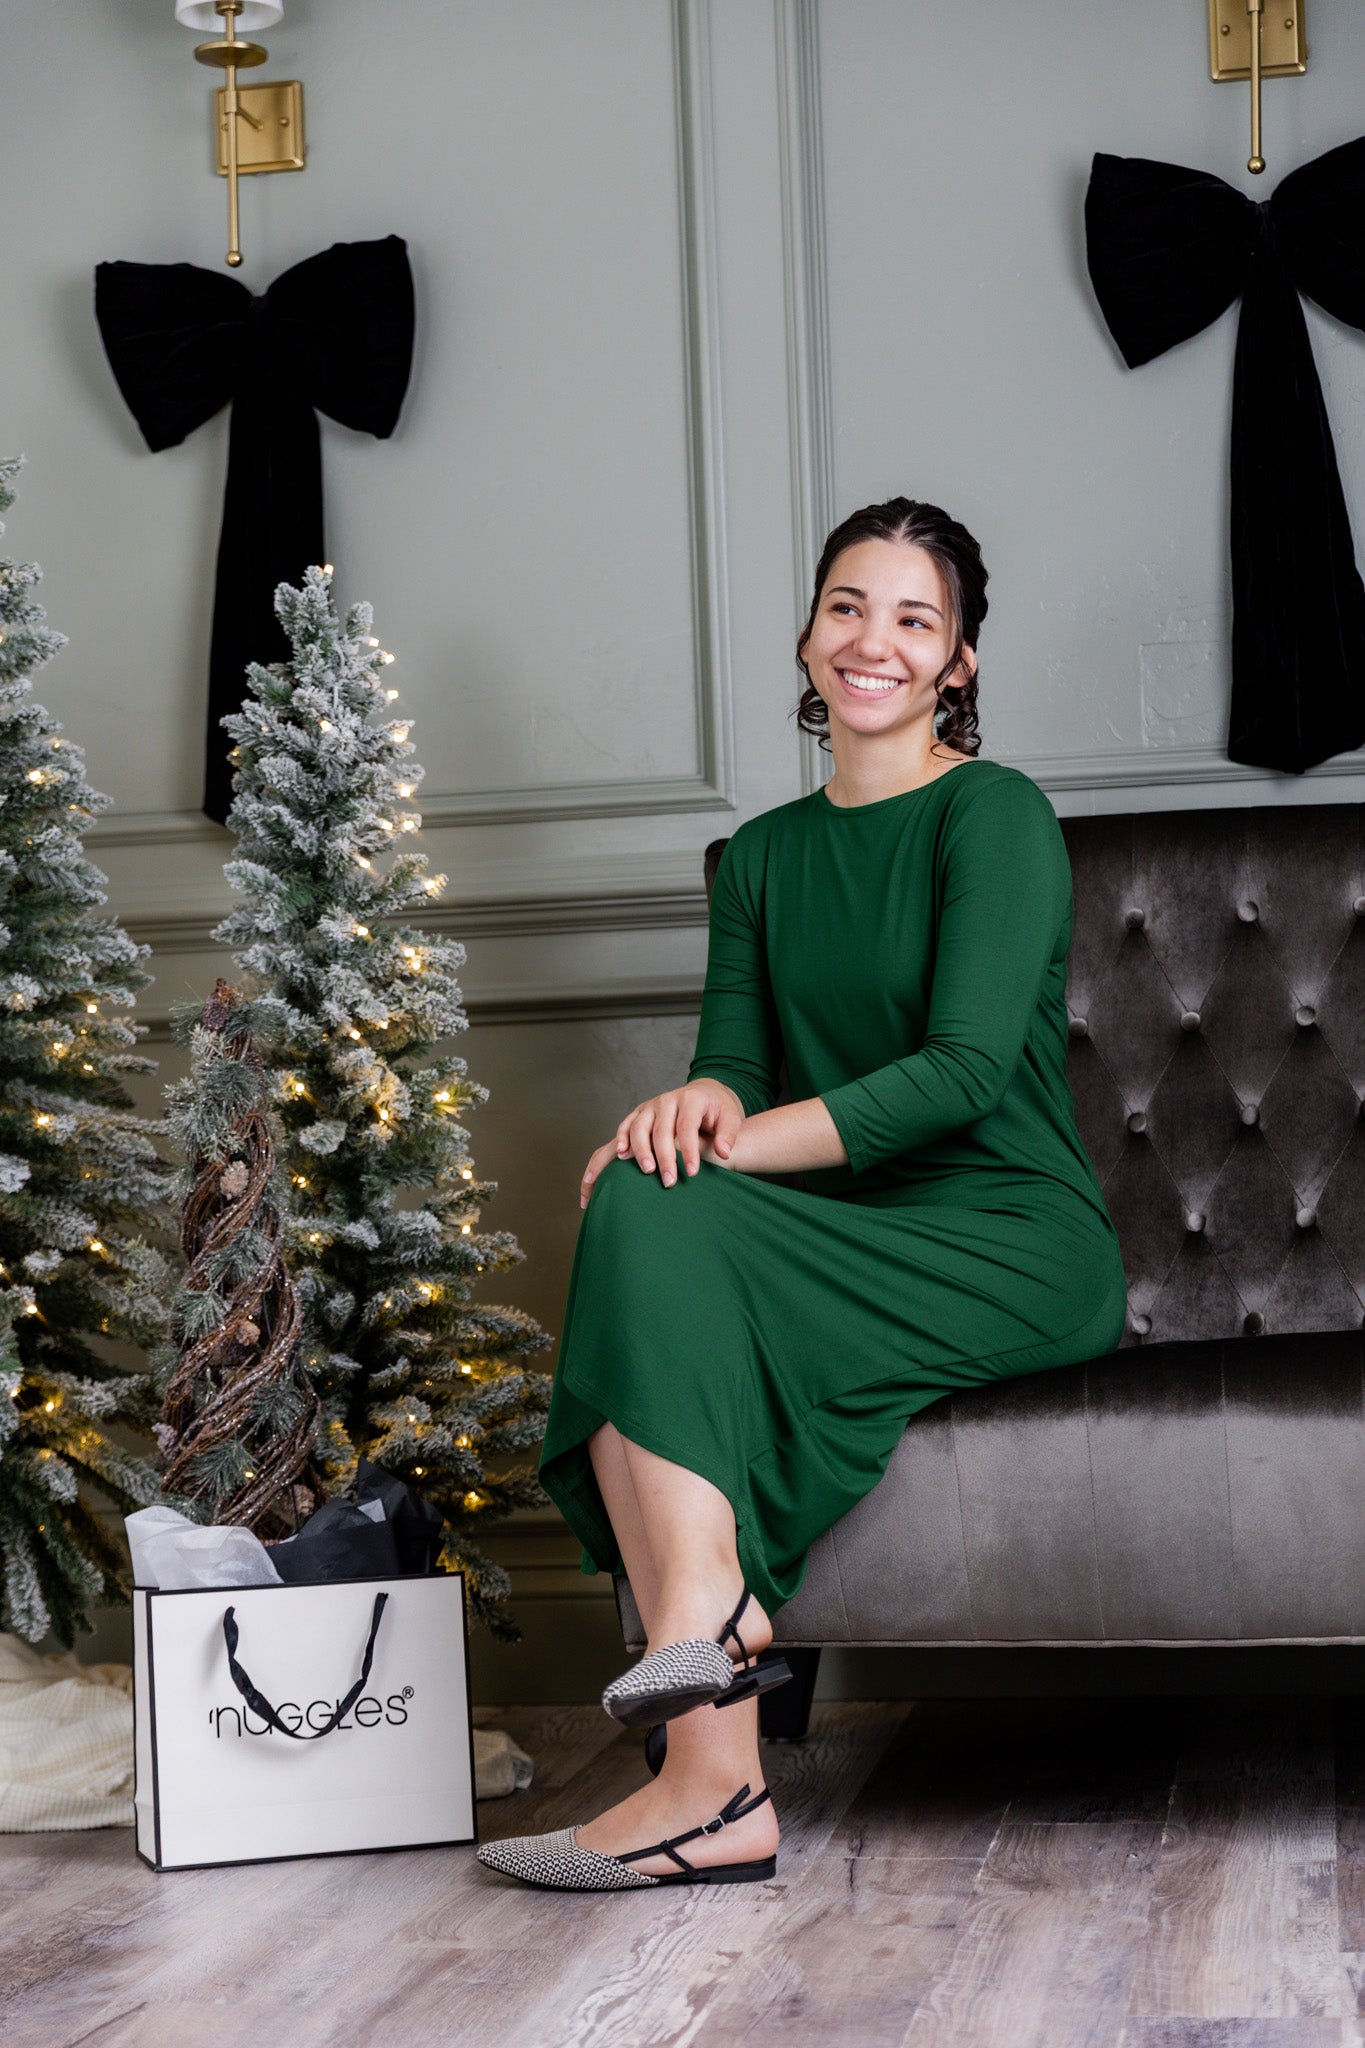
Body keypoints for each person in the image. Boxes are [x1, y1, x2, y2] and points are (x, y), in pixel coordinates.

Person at [477, 498, 1128, 1892]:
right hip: (842, 1229)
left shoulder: (992, 814)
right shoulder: (764, 855)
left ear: (956, 662)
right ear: (805, 629)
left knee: (661, 1199)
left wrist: (724, 1146)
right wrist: (693, 1113)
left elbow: (959, 1075)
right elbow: (730, 1067)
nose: (871, 641)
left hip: (1003, 1233)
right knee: (639, 1202)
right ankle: (719, 1775)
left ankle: (703, 1714)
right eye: (847, 605)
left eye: (912, 619)